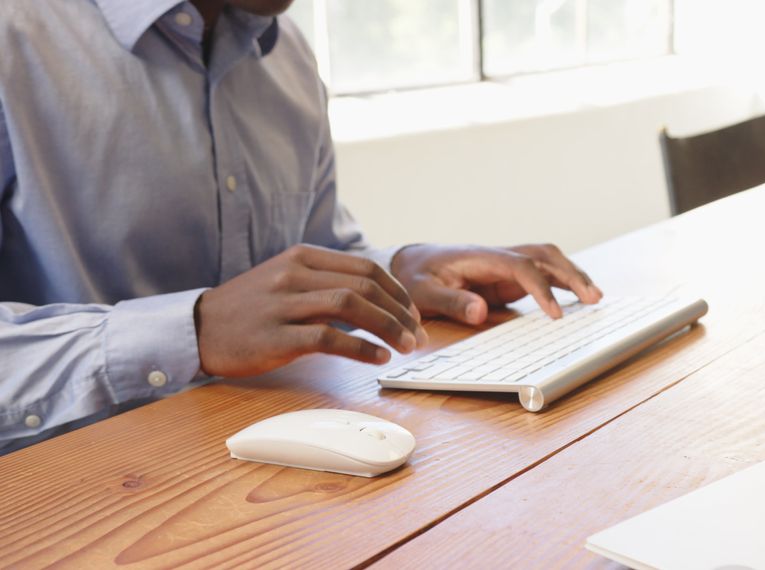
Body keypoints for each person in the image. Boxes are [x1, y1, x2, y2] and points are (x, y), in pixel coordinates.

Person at [0, 0, 602, 454]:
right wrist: (193, 330)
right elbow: (227, 319)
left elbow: (309, 257)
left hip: (260, 473)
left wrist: (398, 270)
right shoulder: (16, 38)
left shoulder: (284, 54)